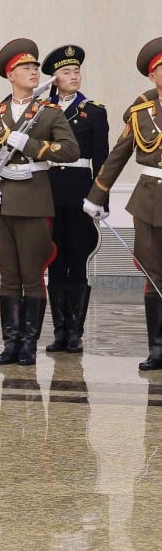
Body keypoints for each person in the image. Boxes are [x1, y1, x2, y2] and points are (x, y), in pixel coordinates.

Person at [0, 39, 78, 366]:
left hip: (33, 199)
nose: (34, 72)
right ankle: (11, 343)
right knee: (8, 275)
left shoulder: (48, 113)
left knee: (32, 276)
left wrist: (32, 145)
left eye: (35, 67)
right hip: (0, 202)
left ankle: (29, 345)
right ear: (11, 74)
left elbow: (71, 151)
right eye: (26, 68)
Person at [84, 37, 162, 370]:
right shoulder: (141, 110)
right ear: (152, 77)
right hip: (149, 200)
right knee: (154, 274)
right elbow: (119, 154)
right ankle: (158, 347)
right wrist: (96, 195)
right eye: (161, 69)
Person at [41, 45, 109, 353]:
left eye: (76, 71)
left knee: (78, 260)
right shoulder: (41, 109)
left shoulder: (93, 111)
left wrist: (100, 199)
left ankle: (75, 333)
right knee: (55, 260)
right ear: (54, 78)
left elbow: (102, 160)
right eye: (67, 72)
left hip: (80, 192)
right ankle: (59, 331)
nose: (74, 76)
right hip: (49, 192)